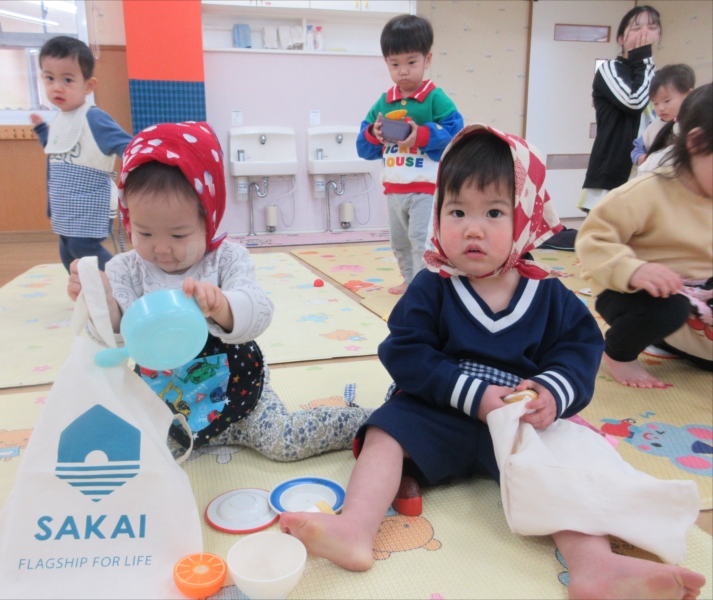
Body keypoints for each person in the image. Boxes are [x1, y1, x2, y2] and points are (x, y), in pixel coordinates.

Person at [279, 125, 706, 600]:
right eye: (457, 211)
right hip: (440, 411)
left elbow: (579, 352)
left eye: (495, 213)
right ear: (438, 213)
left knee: (565, 468)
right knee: (385, 432)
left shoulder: (549, 294)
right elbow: (406, 351)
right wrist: (473, 395)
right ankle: (355, 528)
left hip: (518, 422)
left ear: (526, 219)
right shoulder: (434, 285)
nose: (472, 228)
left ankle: (594, 566)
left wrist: (551, 392)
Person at [67, 122, 372, 461]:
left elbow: (259, 310)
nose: (161, 248)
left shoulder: (227, 259)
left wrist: (222, 306)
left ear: (208, 219)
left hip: (243, 402)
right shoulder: (125, 269)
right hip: (168, 412)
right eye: (144, 233)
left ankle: (367, 422)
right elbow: (116, 340)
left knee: (285, 442)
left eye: (178, 235)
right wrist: (102, 301)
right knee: (129, 454)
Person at [577, 84, 713, 389]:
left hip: (699, 291)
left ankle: (670, 338)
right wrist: (633, 270)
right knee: (669, 310)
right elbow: (592, 239)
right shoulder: (647, 191)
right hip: (631, 290)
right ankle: (619, 352)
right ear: (697, 142)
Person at [357, 14, 463, 294]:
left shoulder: (435, 97)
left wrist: (422, 136)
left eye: (411, 62)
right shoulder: (385, 101)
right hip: (394, 188)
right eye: (395, 64)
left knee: (421, 238)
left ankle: (423, 286)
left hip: (425, 187)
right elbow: (363, 146)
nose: (403, 71)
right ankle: (409, 280)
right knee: (400, 240)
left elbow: (456, 132)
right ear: (387, 63)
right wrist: (375, 133)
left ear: (427, 60)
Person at [31, 36, 132, 272]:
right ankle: (85, 287)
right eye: (50, 78)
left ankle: (119, 281)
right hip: (65, 204)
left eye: (67, 79)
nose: (57, 87)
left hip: (89, 203)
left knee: (83, 247)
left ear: (88, 86)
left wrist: (144, 169)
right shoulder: (62, 117)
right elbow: (57, 148)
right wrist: (42, 130)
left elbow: (127, 146)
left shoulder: (94, 118)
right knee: (67, 250)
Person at [578, 6, 661, 212]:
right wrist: (644, 60)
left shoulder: (656, 76)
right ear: (621, 39)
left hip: (648, 172)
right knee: (605, 232)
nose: (644, 33)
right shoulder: (610, 69)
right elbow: (635, 102)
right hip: (612, 173)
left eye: (652, 28)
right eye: (636, 28)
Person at [632, 64, 695, 174]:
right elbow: (637, 148)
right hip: (656, 178)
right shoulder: (653, 127)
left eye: (667, 101)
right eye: (655, 103)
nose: (660, 108)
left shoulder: (695, 123)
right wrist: (640, 157)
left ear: (689, 95)